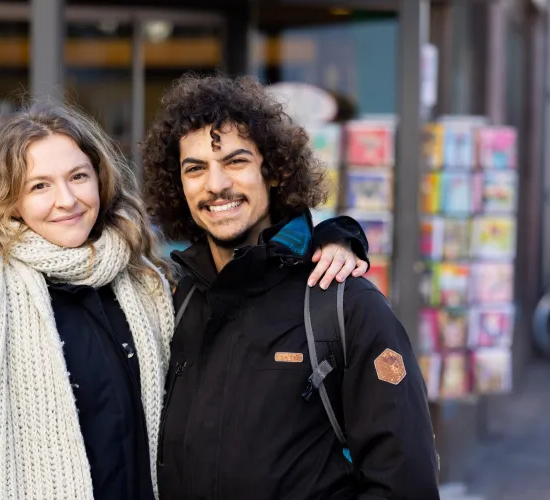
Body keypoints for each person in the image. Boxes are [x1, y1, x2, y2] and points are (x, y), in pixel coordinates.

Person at [0, 103, 368, 500]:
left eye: (78, 177)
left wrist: (333, 235)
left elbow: (247, 273)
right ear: (10, 201)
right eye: (39, 186)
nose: (66, 200)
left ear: (100, 178)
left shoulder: (147, 284)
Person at [142, 74, 440, 500]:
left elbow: (404, 484)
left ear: (275, 172)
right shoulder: (182, 299)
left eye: (235, 162)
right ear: (179, 186)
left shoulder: (344, 305)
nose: (216, 184)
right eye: (196, 168)